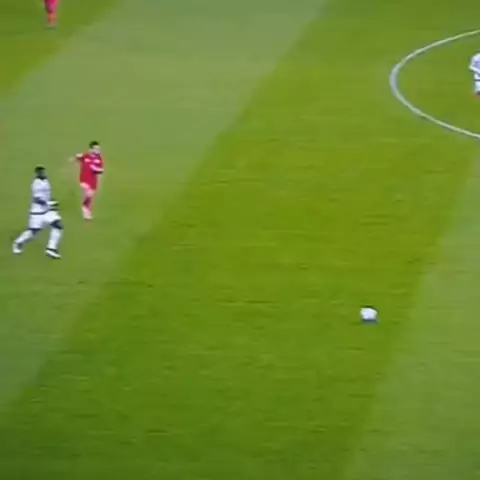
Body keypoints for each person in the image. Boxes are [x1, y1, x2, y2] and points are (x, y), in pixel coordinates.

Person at [12, 166, 63, 259]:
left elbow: (47, 195)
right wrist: (48, 203)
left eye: (43, 171)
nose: (43, 173)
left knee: (58, 225)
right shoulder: (36, 184)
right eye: (41, 172)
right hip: (37, 213)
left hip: (47, 211)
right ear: (37, 173)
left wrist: (52, 201)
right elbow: (36, 199)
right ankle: (18, 243)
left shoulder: (46, 180)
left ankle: (51, 248)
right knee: (33, 232)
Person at [72, 141, 105, 220]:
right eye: (96, 149)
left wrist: (95, 168)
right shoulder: (86, 156)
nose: (98, 150)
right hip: (84, 180)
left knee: (90, 197)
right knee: (88, 194)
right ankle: (85, 211)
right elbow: (77, 158)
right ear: (91, 149)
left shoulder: (99, 159)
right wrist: (76, 157)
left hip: (93, 182)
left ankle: (87, 211)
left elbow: (101, 170)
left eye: (99, 149)